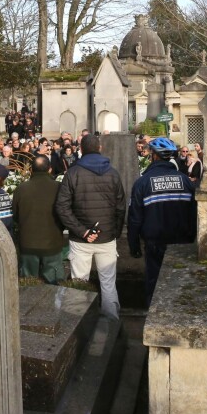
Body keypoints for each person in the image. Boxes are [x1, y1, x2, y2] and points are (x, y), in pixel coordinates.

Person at [55, 134, 126, 320]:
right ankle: (112, 322)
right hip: (106, 237)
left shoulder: (73, 173)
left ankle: (78, 322)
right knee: (108, 283)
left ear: (82, 150)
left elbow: (62, 207)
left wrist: (82, 231)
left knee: (79, 282)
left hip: (81, 238)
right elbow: (120, 207)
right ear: (100, 148)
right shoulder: (113, 173)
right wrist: (115, 232)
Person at [127, 137, 197, 308]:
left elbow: (135, 218)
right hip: (182, 242)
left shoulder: (142, 183)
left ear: (154, 157)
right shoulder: (186, 181)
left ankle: (154, 318)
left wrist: (134, 245)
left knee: (154, 284)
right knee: (181, 283)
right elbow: (194, 213)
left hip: (155, 243)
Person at [13, 155, 65, 284]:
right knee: (55, 286)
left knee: (28, 285)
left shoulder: (21, 188)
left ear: (31, 170)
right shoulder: (59, 188)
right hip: (52, 242)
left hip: (28, 243)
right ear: (50, 169)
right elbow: (65, 213)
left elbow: (15, 215)